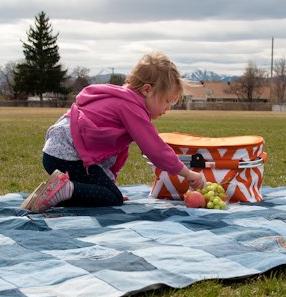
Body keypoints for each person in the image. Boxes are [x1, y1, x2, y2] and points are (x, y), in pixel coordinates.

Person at [21, 51, 205, 213]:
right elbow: (155, 149)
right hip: (68, 155)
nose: (168, 108)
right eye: (167, 101)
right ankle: (65, 189)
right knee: (112, 198)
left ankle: (60, 191)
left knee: (109, 194)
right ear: (147, 90)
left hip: (56, 151)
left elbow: (112, 155)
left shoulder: (119, 98)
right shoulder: (132, 107)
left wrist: (108, 187)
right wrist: (187, 174)